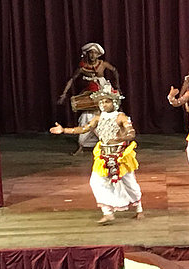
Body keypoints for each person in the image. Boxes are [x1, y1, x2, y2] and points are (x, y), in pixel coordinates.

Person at [50, 89, 143, 224]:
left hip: (120, 157)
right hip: (103, 156)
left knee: (129, 183)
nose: (103, 104)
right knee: (96, 182)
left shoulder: (121, 117)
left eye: (107, 102)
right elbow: (83, 129)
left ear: (114, 103)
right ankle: (107, 213)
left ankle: (139, 209)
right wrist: (64, 130)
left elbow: (131, 133)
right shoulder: (98, 118)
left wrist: (120, 138)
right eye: (101, 102)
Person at [58, 42, 121, 155]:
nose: (92, 55)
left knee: (105, 118)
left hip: (103, 92)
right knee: (86, 118)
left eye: (95, 53)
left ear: (98, 55)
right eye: (90, 53)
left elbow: (114, 71)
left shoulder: (102, 64)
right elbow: (72, 79)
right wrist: (64, 94)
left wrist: (117, 86)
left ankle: (110, 145)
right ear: (87, 54)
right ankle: (81, 146)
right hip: (90, 95)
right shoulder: (83, 67)